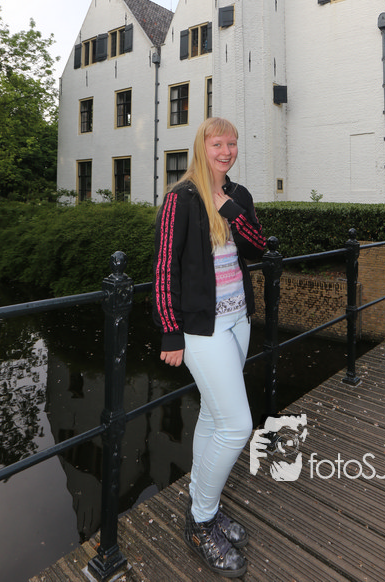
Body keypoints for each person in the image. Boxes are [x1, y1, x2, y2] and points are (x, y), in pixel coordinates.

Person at [153, 117, 266, 577]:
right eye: (218, 143)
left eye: (232, 143)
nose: (226, 151)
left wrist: (230, 210)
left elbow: (258, 248)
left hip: (238, 320)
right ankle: (201, 521)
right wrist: (170, 330)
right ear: (201, 147)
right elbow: (164, 267)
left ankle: (204, 501)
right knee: (237, 426)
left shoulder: (238, 195)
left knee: (213, 417)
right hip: (203, 329)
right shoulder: (180, 199)